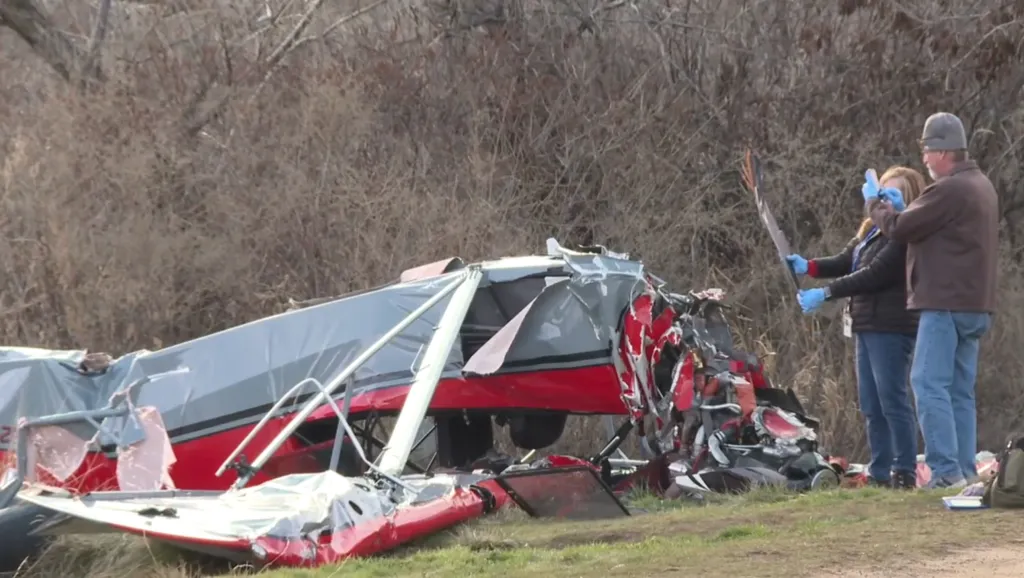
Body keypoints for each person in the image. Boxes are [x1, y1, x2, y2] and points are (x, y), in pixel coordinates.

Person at [865, 112, 999, 489]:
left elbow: (900, 229)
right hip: (976, 305)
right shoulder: (981, 185)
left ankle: (944, 473)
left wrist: (876, 204)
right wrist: (903, 209)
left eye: (926, 150)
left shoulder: (949, 189)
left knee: (927, 383)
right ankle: (965, 471)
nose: (923, 158)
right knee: (959, 390)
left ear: (942, 152)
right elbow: (935, 228)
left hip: (946, 304)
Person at [786, 167, 925, 490]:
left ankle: (903, 470)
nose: (884, 202)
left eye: (894, 195)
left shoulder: (903, 237)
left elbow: (873, 275)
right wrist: (809, 266)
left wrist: (826, 294)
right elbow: (847, 260)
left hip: (891, 325)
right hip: (865, 323)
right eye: (882, 193)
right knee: (871, 404)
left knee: (893, 399)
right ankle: (879, 471)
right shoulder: (870, 232)